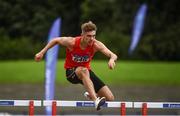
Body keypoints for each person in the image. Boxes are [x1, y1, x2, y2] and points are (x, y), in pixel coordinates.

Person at [35, 21, 118, 110]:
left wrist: (112, 60)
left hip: (85, 73)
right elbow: (56, 40)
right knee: (84, 70)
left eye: (94, 36)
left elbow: (113, 55)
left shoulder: (96, 45)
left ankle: (91, 94)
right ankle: (95, 100)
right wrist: (42, 52)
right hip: (71, 73)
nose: (92, 39)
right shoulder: (72, 42)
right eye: (89, 36)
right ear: (82, 34)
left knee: (110, 98)